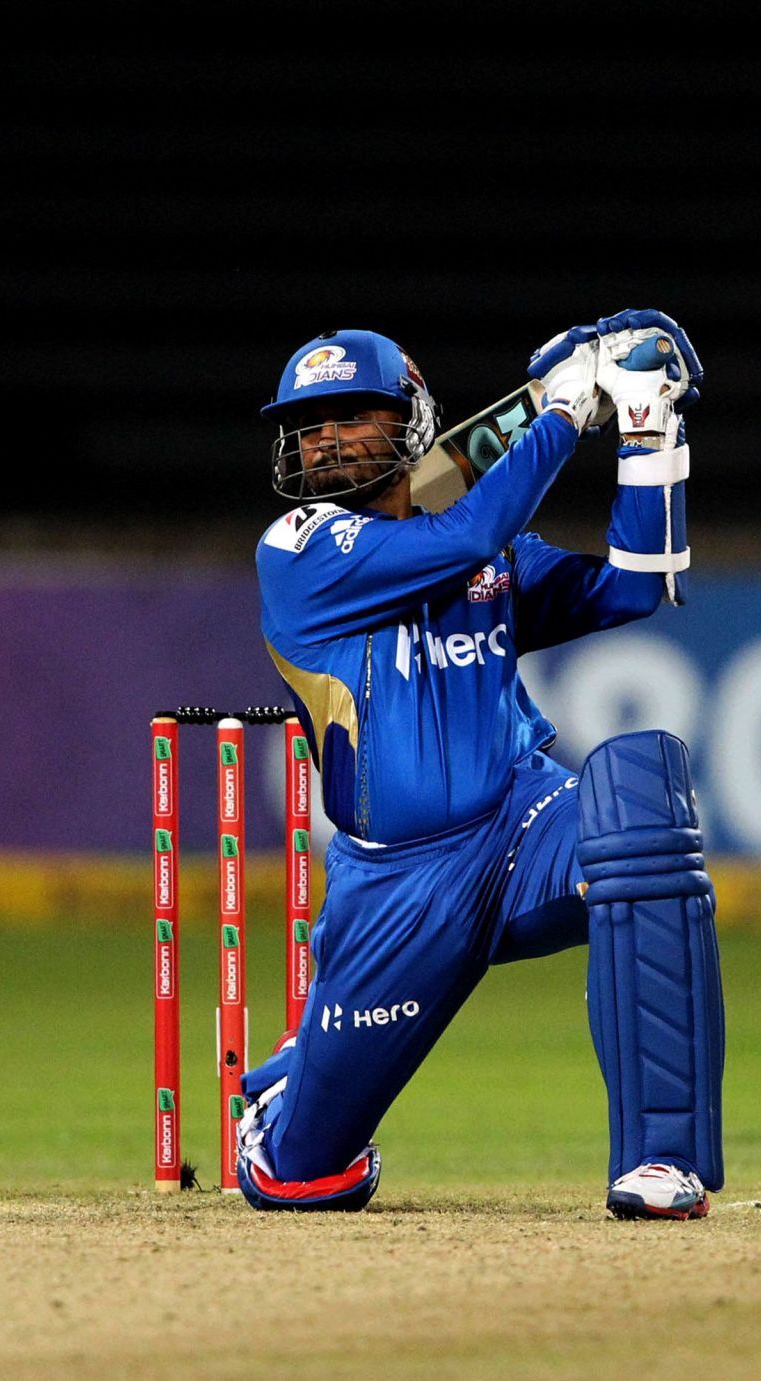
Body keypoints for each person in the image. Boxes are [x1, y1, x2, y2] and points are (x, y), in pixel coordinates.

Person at [232, 311, 725, 1215]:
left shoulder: (485, 547)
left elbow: (634, 583)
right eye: (309, 425)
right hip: (398, 886)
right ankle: (290, 1093)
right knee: (304, 1180)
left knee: (644, 803)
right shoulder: (296, 549)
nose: (326, 439)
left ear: (412, 422)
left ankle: (661, 1158)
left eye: (353, 415)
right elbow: (455, 539)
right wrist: (561, 412)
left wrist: (652, 431)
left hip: (521, 824)